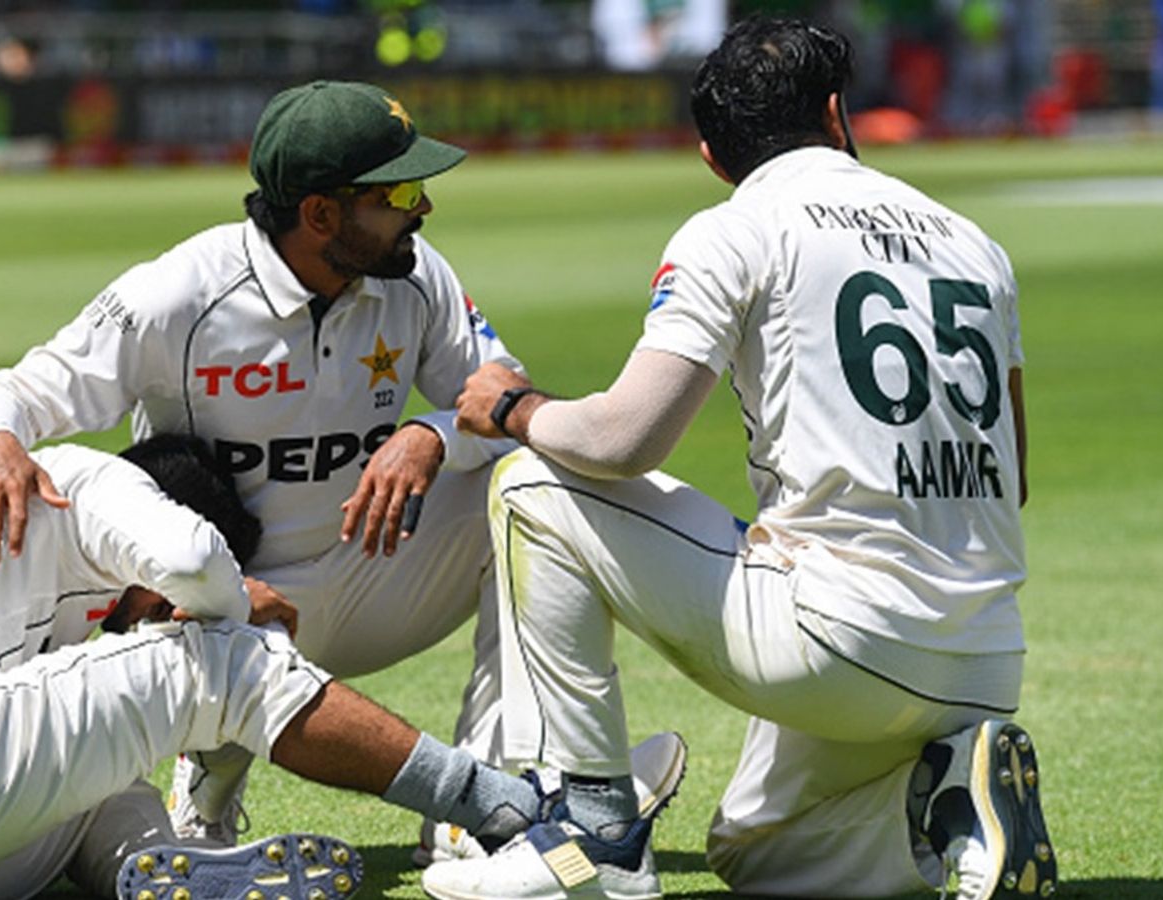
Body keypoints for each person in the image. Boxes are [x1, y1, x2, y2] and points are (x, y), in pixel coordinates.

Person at [437, 17, 1053, 900]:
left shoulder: (737, 226)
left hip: (837, 637)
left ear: (711, 157)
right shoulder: (974, 244)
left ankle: (591, 823)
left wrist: (512, 407)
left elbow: (621, 442)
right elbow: (1013, 473)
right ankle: (950, 817)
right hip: (986, 661)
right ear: (838, 114)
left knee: (532, 483)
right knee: (755, 854)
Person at [0, 79, 519, 849]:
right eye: (401, 191)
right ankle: (208, 778)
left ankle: (470, 814)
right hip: (227, 610)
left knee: (531, 492)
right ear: (321, 213)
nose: (423, 209)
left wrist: (432, 436)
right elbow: (18, 393)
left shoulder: (417, 275)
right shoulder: (178, 294)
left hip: (378, 572)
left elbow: (506, 401)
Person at [0, 435, 555, 899]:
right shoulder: (78, 477)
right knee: (225, 659)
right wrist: (231, 608)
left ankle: (164, 864)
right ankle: (509, 808)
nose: (141, 620)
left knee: (108, 782)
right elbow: (183, 558)